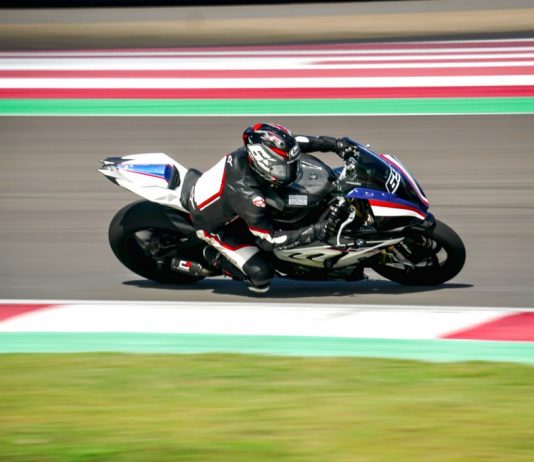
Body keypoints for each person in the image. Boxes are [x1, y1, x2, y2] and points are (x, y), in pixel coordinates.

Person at [182, 123, 357, 293]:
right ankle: (212, 254)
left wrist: (335, 144)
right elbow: (269, 241)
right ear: (263, 163)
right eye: (281, 169)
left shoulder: (257, 150)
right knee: (260, 276)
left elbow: (299, 143)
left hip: (231, 204)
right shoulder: (248, 195)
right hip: (214, 227)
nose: (289, 171)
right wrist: (317, 230)